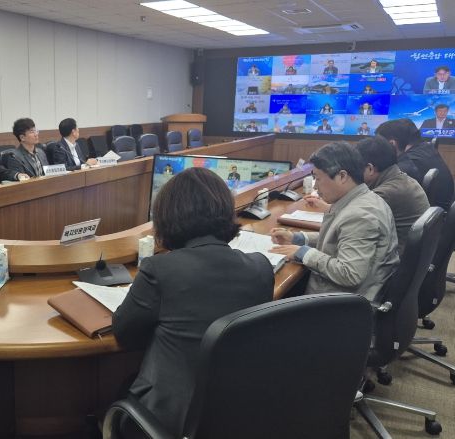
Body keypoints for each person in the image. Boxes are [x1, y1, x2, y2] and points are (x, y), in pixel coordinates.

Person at [112, 167, 273, 437]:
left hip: (174, 419)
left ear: (168, 217)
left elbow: (125, 332)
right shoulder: (261, 267)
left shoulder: (160, 269)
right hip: (239, 411)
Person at [270, 141, 399, 299]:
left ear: (342, 176)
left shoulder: (360, 215)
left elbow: (350, 274)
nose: (315, 187)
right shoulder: (361, 199)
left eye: (318, 178)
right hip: (342, 294)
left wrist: (303, 253)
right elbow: (339, 238)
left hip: (341, 303)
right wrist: (297, 238)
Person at [376, 118, 454, 209]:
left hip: (429, 213)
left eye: (379, 144)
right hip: (438, 212)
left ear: (392, 144)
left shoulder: (407, 166)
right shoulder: (427, 148)